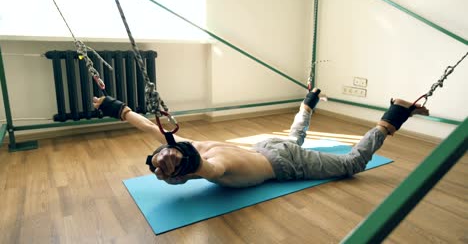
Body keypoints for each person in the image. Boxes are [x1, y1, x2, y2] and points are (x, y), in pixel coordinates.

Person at [93, 88, 429, 188]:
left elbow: (204, 170)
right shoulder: (191, 143)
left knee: (351, 164)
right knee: (294, 137)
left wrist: (184, 166)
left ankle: (395, 115)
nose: (160, 171)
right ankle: (307, 103)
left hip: (278, 160)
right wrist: (115, 107)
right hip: (265, 147)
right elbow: (148, 127)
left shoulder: (209, 165)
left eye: (162, 168)